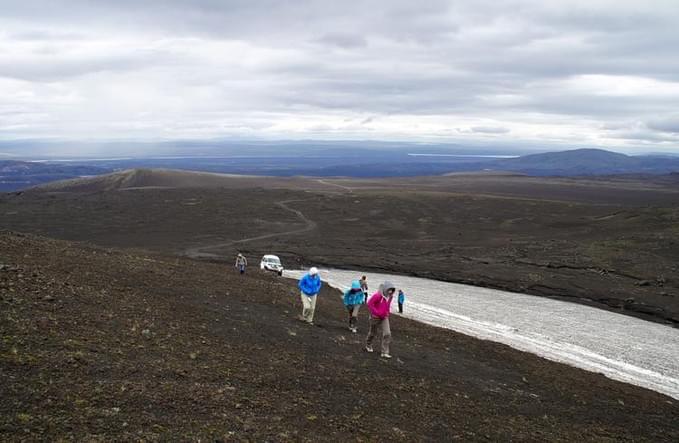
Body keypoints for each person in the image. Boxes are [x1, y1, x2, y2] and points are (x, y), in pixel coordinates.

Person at [365, 281, 396, 359]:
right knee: (373, 333)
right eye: (389, 290)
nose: (390, 292)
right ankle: (368, 345)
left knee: (387, 333)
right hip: (375, 317)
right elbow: (369, 304)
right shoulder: (377, 295)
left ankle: (384, 352)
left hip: (384, 317)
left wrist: (387, 312)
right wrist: (377, 312)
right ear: (385, 289)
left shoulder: (390, 296)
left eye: (392, 290)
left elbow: (387, 305)